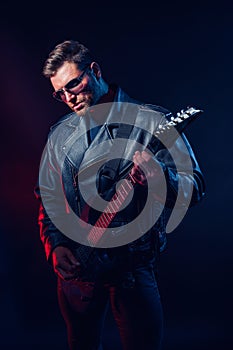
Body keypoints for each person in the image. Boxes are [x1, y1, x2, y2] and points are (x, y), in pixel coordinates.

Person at [34, 39, 205, 350]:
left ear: (95, 70)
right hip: (78, 272)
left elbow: (195, 186)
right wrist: (56, 246)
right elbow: (47, 196)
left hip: (132, 269)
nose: (69, 98)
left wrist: (159, 177)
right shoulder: (60, 134)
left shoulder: (152, 121)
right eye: (60, 93)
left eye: (74, 84)